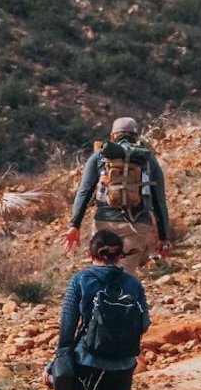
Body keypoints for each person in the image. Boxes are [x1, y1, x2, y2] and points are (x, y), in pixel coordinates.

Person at [57, 229, 151, 390]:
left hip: (87, 362)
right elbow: (143, 324)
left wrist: (57, 363)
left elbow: (67, 326)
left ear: (91, 254)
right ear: (120, 256)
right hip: (122, 366)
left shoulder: (80, 280)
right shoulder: (133, 284)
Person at [65, 117, 171, 275]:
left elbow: (84, 191)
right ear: (136, 136)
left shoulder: (100, 155)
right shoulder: (147, 158)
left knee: (100, 273)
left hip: (104, 223)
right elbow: (159, 201)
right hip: (136, 225)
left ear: (113, 136)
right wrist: (163, 237)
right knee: (125, 275)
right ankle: (121, 298)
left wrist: (74, 225)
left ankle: (99, 298)